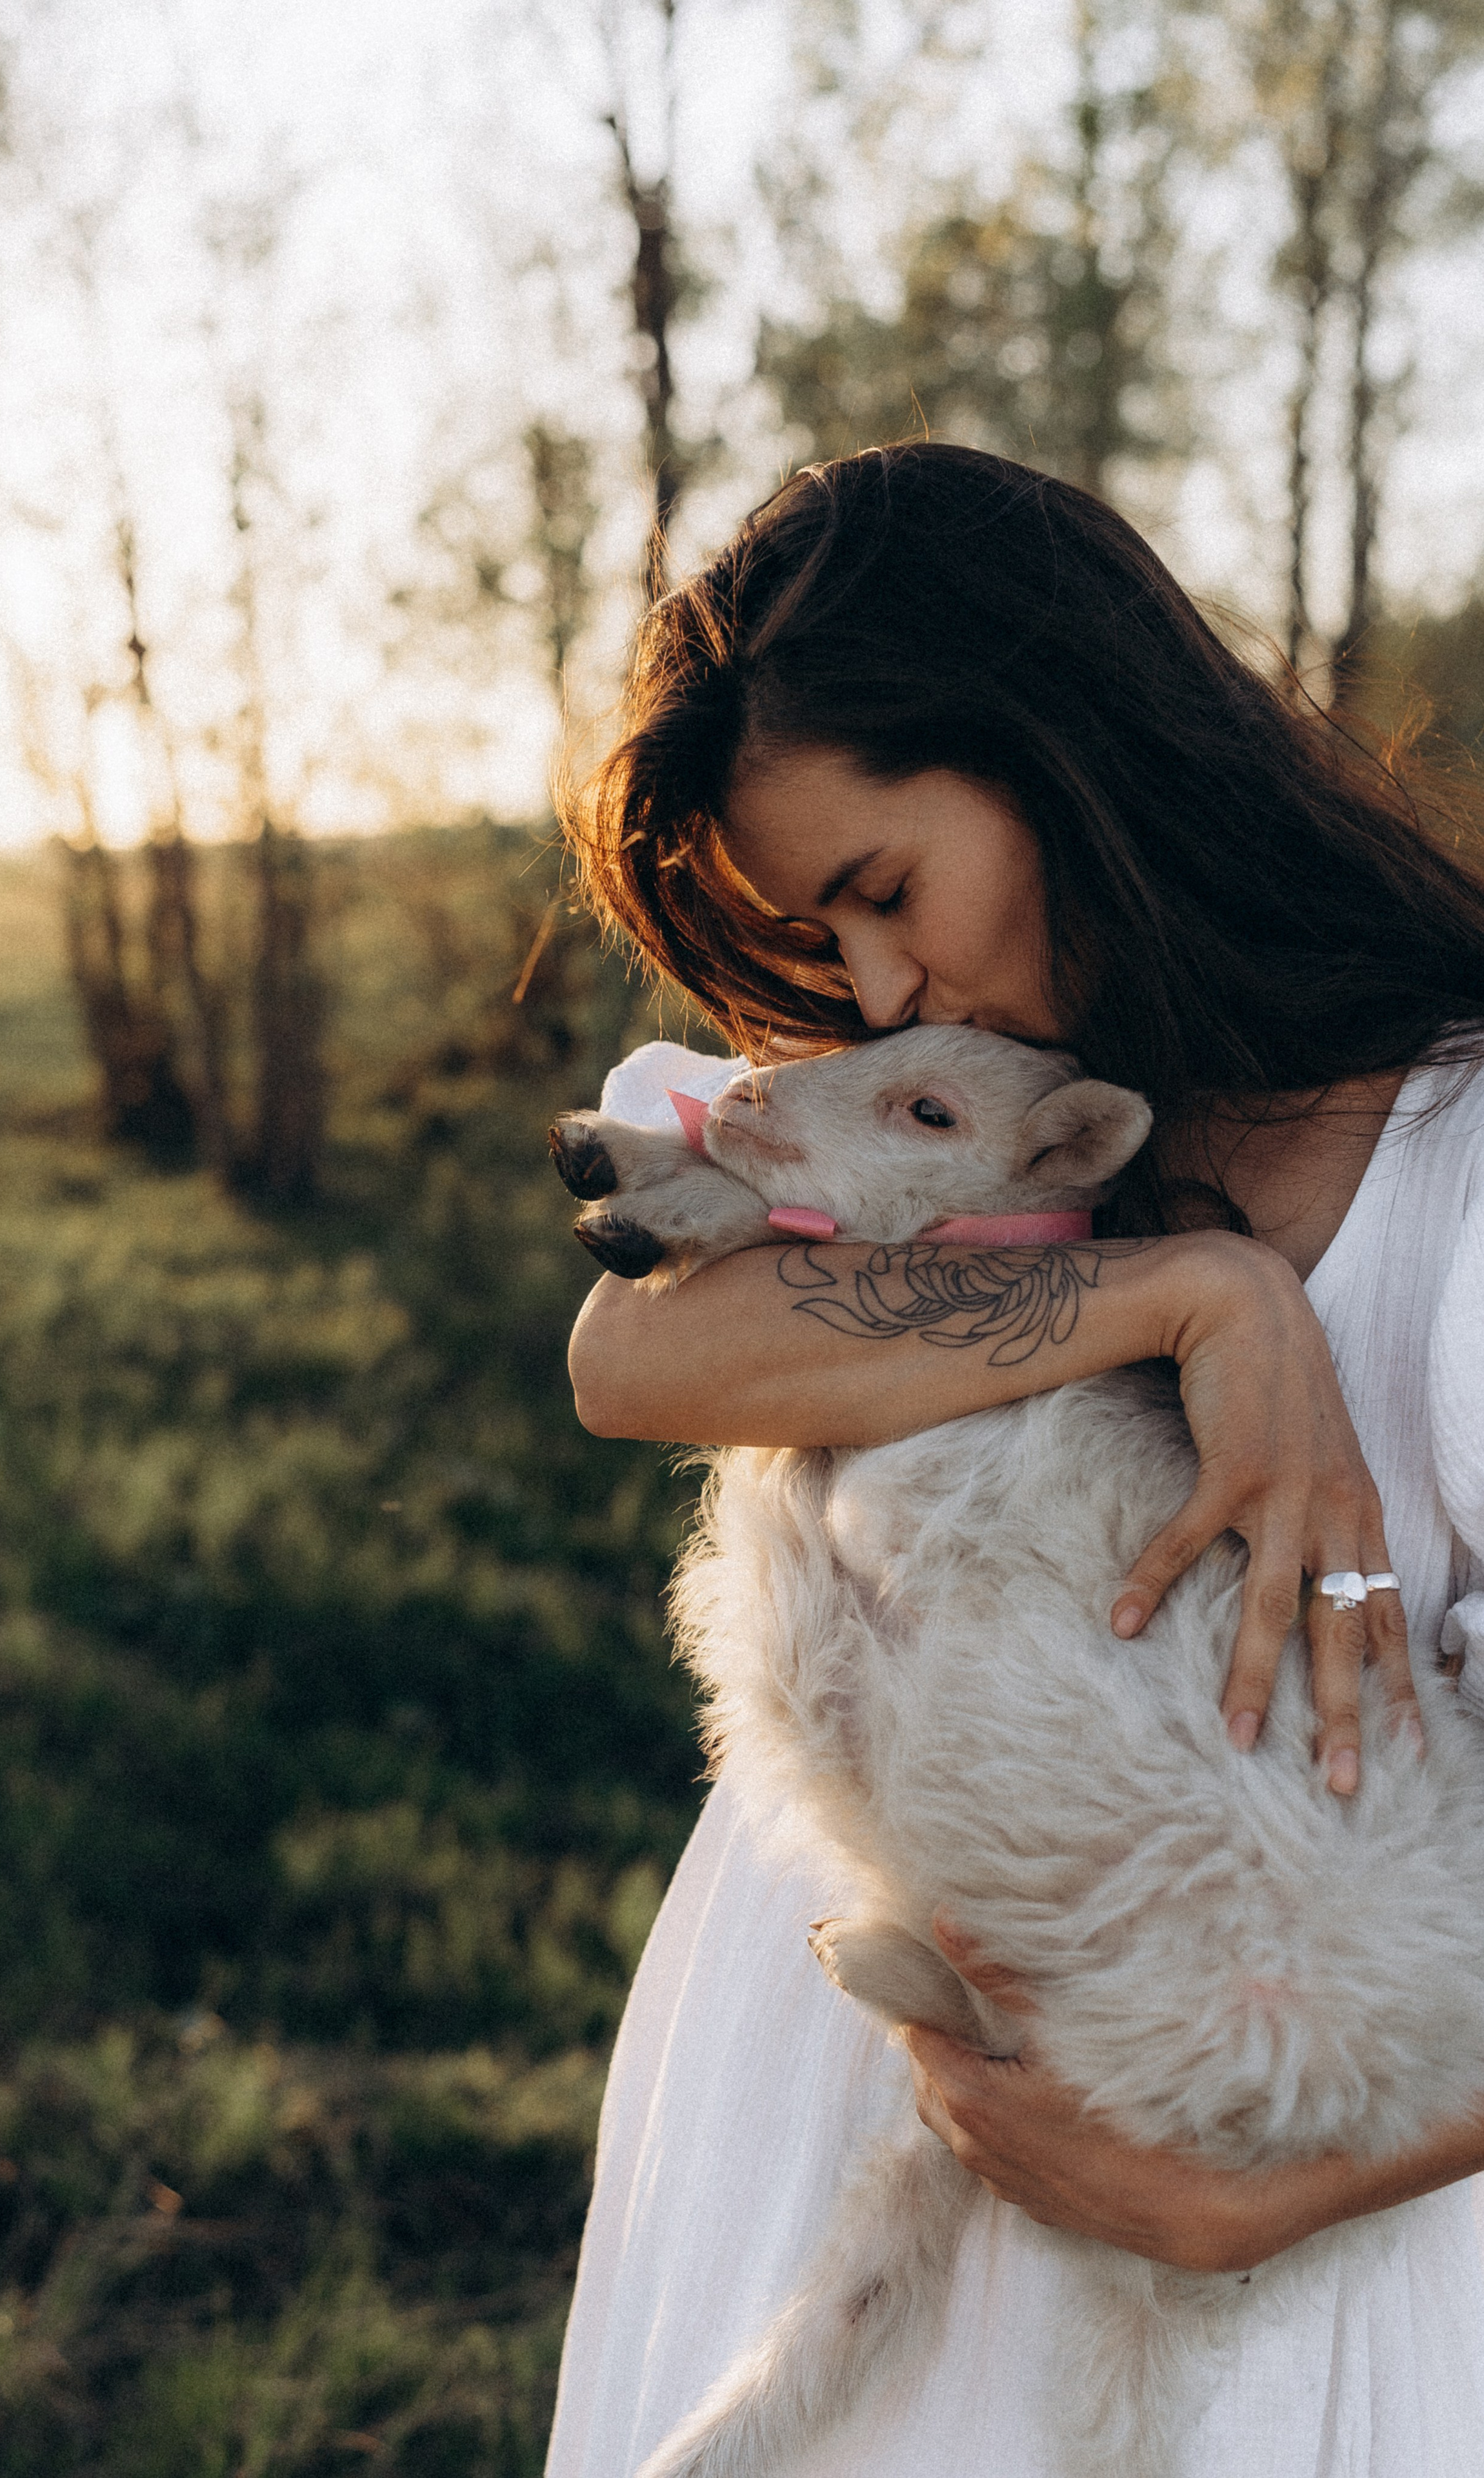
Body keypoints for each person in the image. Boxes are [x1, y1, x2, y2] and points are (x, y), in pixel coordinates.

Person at [543, 444, 1484, 2477]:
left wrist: (1279, 2191)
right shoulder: (927, 1111)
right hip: (829, 2088)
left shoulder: (1457, 1170)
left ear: (1067, 749)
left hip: (1282, 2196)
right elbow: (633, 1349)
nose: (876, 988)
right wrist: (1198, 1299)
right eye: (825, 932)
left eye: (884, 892)